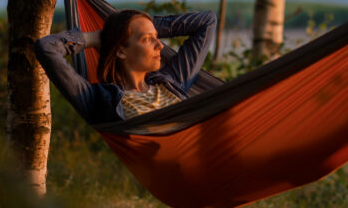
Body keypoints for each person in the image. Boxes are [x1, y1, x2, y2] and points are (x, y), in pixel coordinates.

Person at [34, 9, 216, 123]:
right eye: (147, 40)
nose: (160, 45)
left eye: (157, 37)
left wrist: (144, 27)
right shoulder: (98, 99)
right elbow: (46, 47)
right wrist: (99, 37)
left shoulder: (172, 81)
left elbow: (207, 21)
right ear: (121, 51)